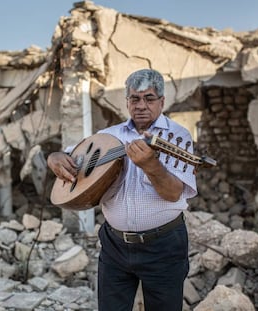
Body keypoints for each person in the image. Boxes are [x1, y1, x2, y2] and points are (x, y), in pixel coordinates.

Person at [47, 69, 197, 311]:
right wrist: (54, 158)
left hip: (163, 245)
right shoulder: (108, 136)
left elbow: (172, 194)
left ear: (162, 102)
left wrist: (152, 166)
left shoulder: (177, 136)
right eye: (134, 99)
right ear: (127, 101)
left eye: (149, 98)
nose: (141, 105)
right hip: (114, 245)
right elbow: (70, 154)